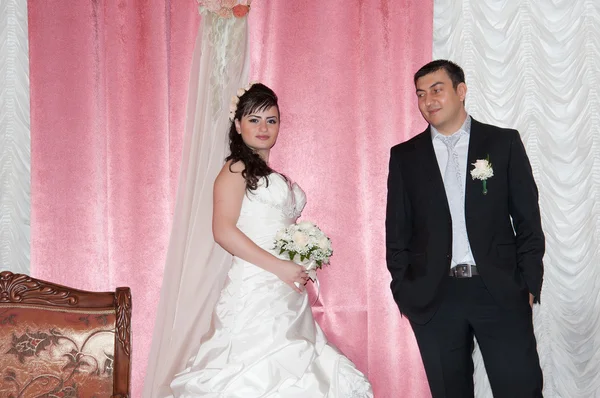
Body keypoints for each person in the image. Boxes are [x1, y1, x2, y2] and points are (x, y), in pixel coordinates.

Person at [170, 82, 373, 397]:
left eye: (271, 120)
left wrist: (302, 254)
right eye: (254, 119)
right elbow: (222, 231)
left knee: (298, 366)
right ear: (238, 125)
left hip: (286, 291)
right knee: (256, 371)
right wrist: (279, 266)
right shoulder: (236, 169)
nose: (263, 127)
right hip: (255, 286)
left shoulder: (266, 173)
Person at [385, 60, 544, 397]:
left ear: (461, 91)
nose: (428, 100)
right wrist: (405, 289)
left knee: (521, 389)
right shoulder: (405, 156)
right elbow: (396, 232)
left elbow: (528, 220)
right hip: (435, 296)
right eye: (420, 93)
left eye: (437, 89)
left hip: (499, 290)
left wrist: (528, 283)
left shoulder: (502, 143)